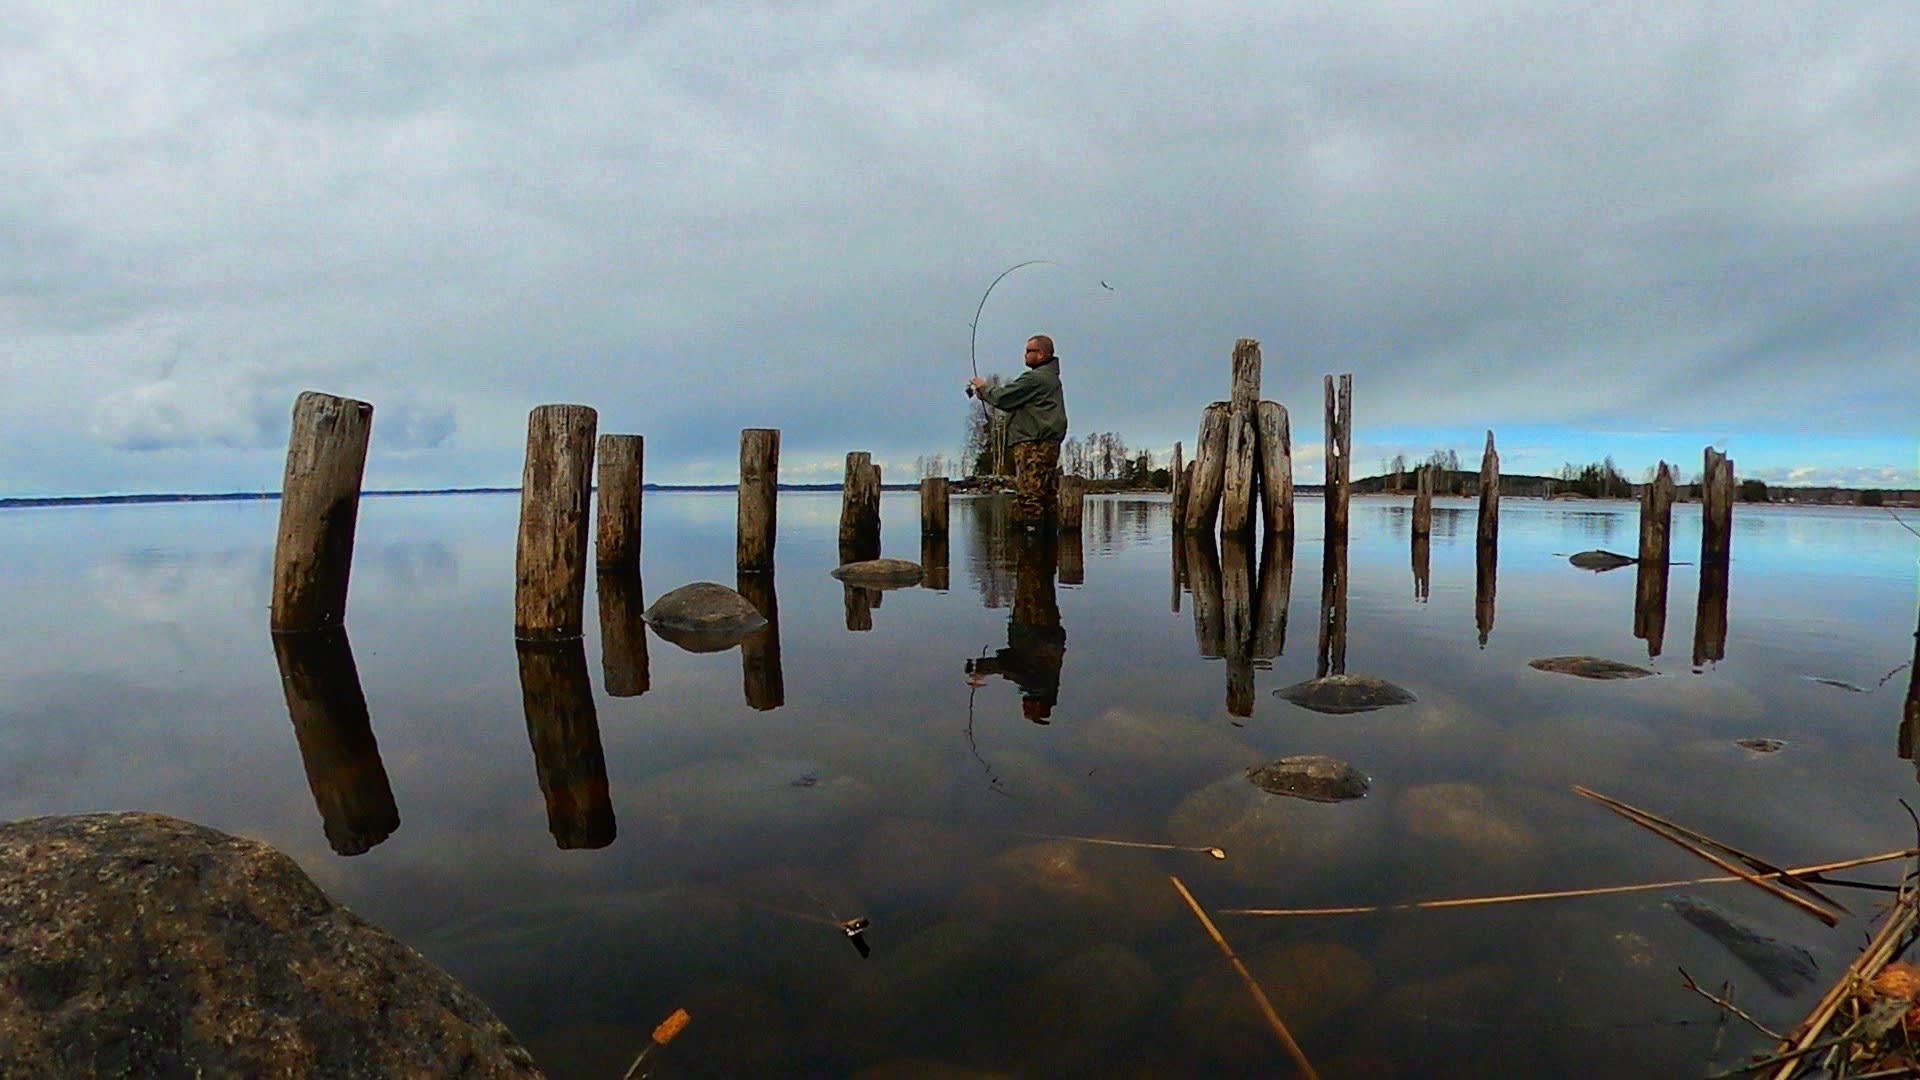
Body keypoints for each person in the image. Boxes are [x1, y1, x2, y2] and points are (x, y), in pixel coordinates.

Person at [969, 334, 1068, 530]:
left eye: (1028, 351)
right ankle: (1049, 550)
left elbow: (1005, 398)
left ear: (1040, 354)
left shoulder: (1035, 378)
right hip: (1046, 442)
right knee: (1046, 496)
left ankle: (1034, 551)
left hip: (1034, 443)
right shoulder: (1051, 378)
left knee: (1030, 497)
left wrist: (983, 387)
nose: (1024, 355)